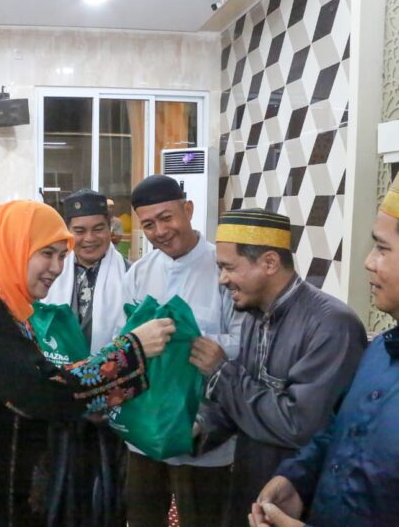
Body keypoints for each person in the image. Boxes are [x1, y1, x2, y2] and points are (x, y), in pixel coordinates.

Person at [0, 200, 175, 527]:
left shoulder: (8, 308)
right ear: (11, 247)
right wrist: (131, 350)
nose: (57, 267)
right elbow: (40, 392)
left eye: (62, 256)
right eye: (46, 253)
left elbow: (44, 378)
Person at [193, 208, 367, 527]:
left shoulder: (332, 325)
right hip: (250, 490)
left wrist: (221, 373)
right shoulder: (253, 315)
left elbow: (300, 425)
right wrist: (200, 426)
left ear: (270, 263)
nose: (222, 279)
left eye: (229, 267)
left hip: (296, 502)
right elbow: (242, 407)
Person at [248, 176, 399, 527]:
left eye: (382, 248)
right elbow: (341, 432)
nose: (368, 262)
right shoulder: (380, 352)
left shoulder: (333, 324)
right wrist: (296, 480)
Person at [122, 174, 244, 527]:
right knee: (142, 518)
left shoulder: (224, 268)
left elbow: (244, 342)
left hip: (202, 427)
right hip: (145, 428)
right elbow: (123, 340)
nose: (160, 231)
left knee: (204, 518)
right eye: (149, 224)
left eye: (167, 218)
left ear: (187, 210)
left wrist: (193, 343)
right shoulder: (139, 273)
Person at [43, 189, 130, 525]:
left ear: (110, 228)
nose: (89, 239)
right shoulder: (49, 274)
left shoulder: (130, 275)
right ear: (67, 233)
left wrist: (103, 395)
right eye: (79, 231)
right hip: (60, 399)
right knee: (61, 488)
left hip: (111, 404)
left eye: (98, 229)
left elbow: (132, 344)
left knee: (107, 493)